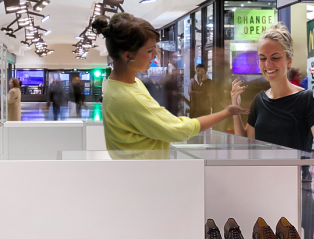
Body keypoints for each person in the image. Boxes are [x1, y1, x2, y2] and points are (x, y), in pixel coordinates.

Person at [95, 13, 242, 151]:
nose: (155, 54)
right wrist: (226, 112)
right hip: (145, 174)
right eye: (149, 50)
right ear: (128, 55)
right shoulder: (128, 98)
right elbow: (180, 130)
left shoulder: (122, 84)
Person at [234, 22, 314, 155]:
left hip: (295, 175)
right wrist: (235, 110)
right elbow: (246, 145)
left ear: (289, 61)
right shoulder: (259, 100)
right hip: (263, 174)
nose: (268, 64)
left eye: (275, 57)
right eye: (262, 58)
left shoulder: (306, 99)